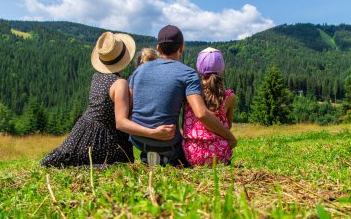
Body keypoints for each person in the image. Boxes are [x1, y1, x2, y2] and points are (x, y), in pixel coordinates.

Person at [40, 32, 175, 168]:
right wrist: (154, 132)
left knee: (59, 163)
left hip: (81, 133)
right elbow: (121, 123)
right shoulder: (120, 83)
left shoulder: (97, 77)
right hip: (103, 140)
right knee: (118, 166)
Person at [128, 25, 237, 166]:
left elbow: (130, 110)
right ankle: (166, 157)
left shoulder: (139, 71)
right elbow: (201, 113)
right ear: (182, 47)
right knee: (182, 152)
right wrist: (230, 137)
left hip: (139, 140)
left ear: (159, 49)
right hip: (168, 141)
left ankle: (149, 155)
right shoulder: (187, 73)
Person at [183, 47, 236, 166]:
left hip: (192, 154)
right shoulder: (230, 96)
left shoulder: (191, 94)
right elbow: (229, 125)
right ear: (221, 68)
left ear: (199, 67)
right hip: (220, 155)